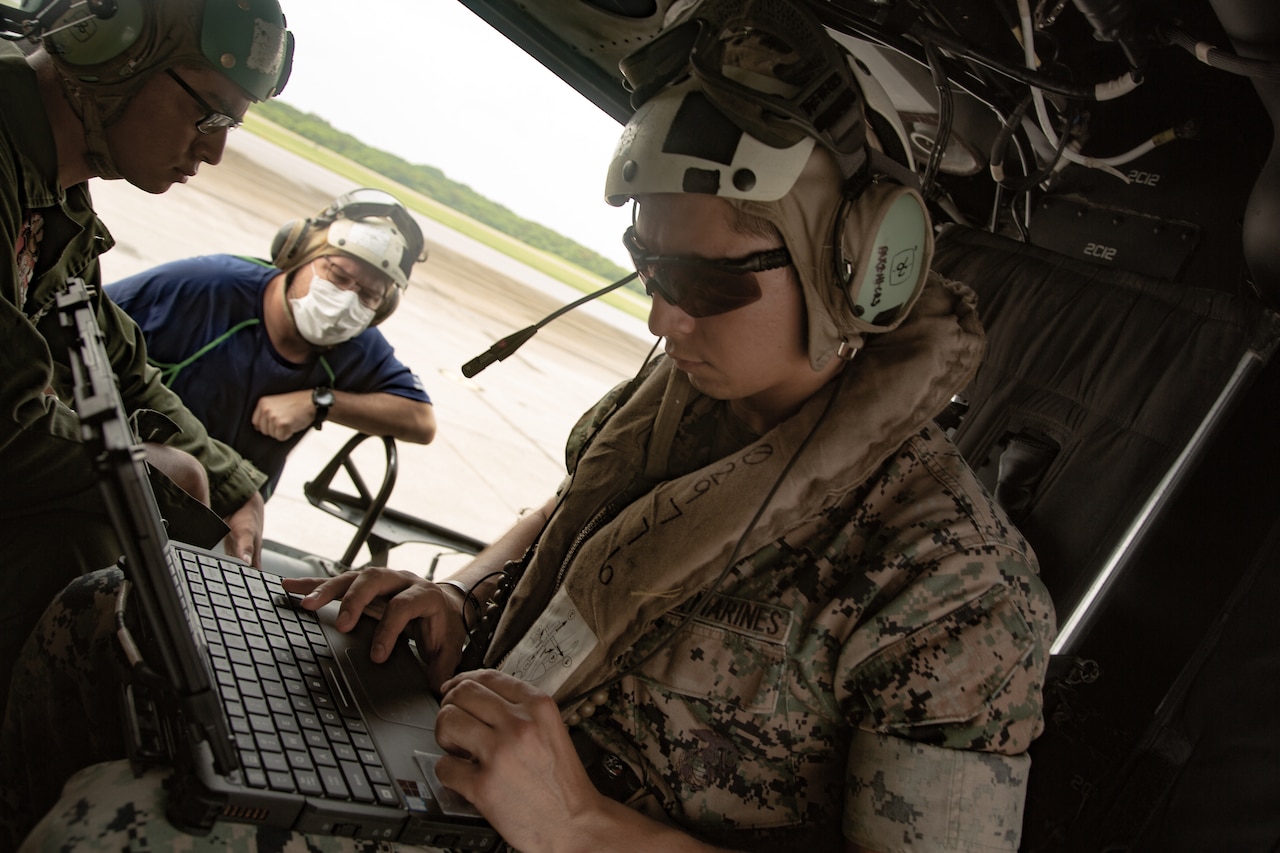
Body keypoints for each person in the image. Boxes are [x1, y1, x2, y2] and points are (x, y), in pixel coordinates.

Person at [1, 2, 1055, 851]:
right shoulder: (677, 407)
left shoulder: (949, 587)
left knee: (130, 823)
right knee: (111, 614)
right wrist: (458, 596)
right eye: (648, 269)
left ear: (860, 268)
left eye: (699, 279)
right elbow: (569, 515)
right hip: (447, 754)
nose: (660, 315)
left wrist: (585, 825)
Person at [0, 0, 293, 711]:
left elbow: (117, 361)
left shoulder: (53, 199)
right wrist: (156, 477)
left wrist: (231, 484)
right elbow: (7, 431)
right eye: (210, 115)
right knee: (88, 540)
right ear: (111, 47)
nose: (215, 151)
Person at [106, 189, 437, 499]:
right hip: (129, 480)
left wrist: (319, 401)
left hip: (231, 508)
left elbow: (421, 421)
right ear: (300, 254)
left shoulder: (357, 344)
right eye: (337, 275)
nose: (347, 299)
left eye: (369, 295)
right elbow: (82, 311)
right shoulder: (203, 286)